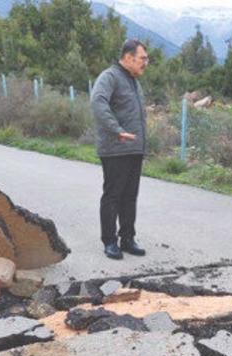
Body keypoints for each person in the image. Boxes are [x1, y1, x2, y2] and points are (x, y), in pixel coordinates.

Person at [90, 39, 149, 260]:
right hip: (116, 148)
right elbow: (98, 102)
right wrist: (117, 130)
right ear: (127, 57)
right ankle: (109, 241)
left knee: (130, 196)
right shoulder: (110, 77)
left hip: (134, 148)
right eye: (142, 58)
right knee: (113, 195)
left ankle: (127, 238)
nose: (146, 62)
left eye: (146, 58)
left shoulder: (133, 81)